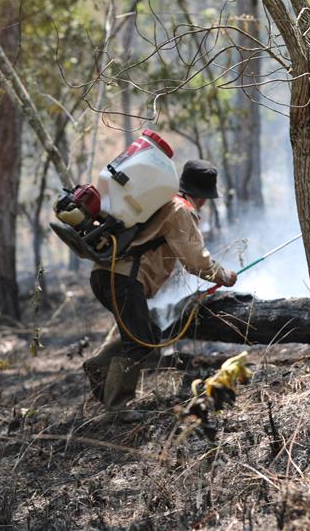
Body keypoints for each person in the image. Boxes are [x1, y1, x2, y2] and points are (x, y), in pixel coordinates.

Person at [84, 159, 237, 409]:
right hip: (123, 280)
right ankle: (118, 408)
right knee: (140, 343)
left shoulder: (163, 201)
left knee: (149, 335)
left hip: (104, 274)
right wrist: (224, 276)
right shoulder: (181, 210)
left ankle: (98, 366)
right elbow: (196, 261)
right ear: (202, 195)